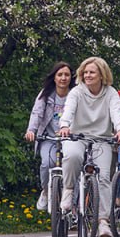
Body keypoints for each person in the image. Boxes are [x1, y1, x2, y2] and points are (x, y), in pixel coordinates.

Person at [57, 56, 120, 237]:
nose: (87, 75)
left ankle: (103, 221)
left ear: (102, 75)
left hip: (101, 139)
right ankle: (69, 190)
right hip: (76, 136)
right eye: (85, 72)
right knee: (72, 156)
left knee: (104, 177)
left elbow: (116, 113)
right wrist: (64, 126)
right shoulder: (76, 93)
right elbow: (69, 110)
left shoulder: (111, 93)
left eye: (92, 72)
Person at [24, 61, 73, 211]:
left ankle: (73, 202)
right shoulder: (46, 94)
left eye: (66, 75)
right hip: (49, 138)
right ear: (54, 77)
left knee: (73, 167)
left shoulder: (75, 94)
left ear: (71, 77)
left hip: (70, 138)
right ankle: (45, 191)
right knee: (47, 163)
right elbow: (37, 113)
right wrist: (31, 130)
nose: (63, 78)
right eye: (60, 75)